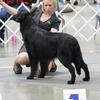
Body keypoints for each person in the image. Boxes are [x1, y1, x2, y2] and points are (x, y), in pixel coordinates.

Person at [0, 0, 61, 75]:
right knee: (22, 59)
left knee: (40, 72)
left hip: (44, 48)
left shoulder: (56, 20)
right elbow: (17, 13)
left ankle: (50, 62)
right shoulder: (35, 11)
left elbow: (52, 38)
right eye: (46, 5)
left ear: (55, 6)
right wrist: (3, 4)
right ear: (43, 5)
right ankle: (16, 61)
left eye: (50, 5)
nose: (47, 8)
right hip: (29, 44)